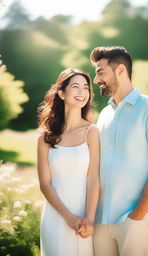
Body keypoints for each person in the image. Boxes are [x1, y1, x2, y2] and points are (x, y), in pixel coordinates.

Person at [90, 46, 148, 256]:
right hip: (101, 222)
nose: (95, 79)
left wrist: (137, 216)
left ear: (120, 70)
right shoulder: (104, 115)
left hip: (135, 219)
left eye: (100, 72)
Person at [37, 68, 100, 256]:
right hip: (55, 217)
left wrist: (89, 219)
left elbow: (94, 179)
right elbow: (45, 184)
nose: (82, 92)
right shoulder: (45, 138)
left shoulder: (92, 131)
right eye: (75, 87)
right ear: (61, 93)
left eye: (86, 88)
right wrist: (68, 217)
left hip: (84, 220)